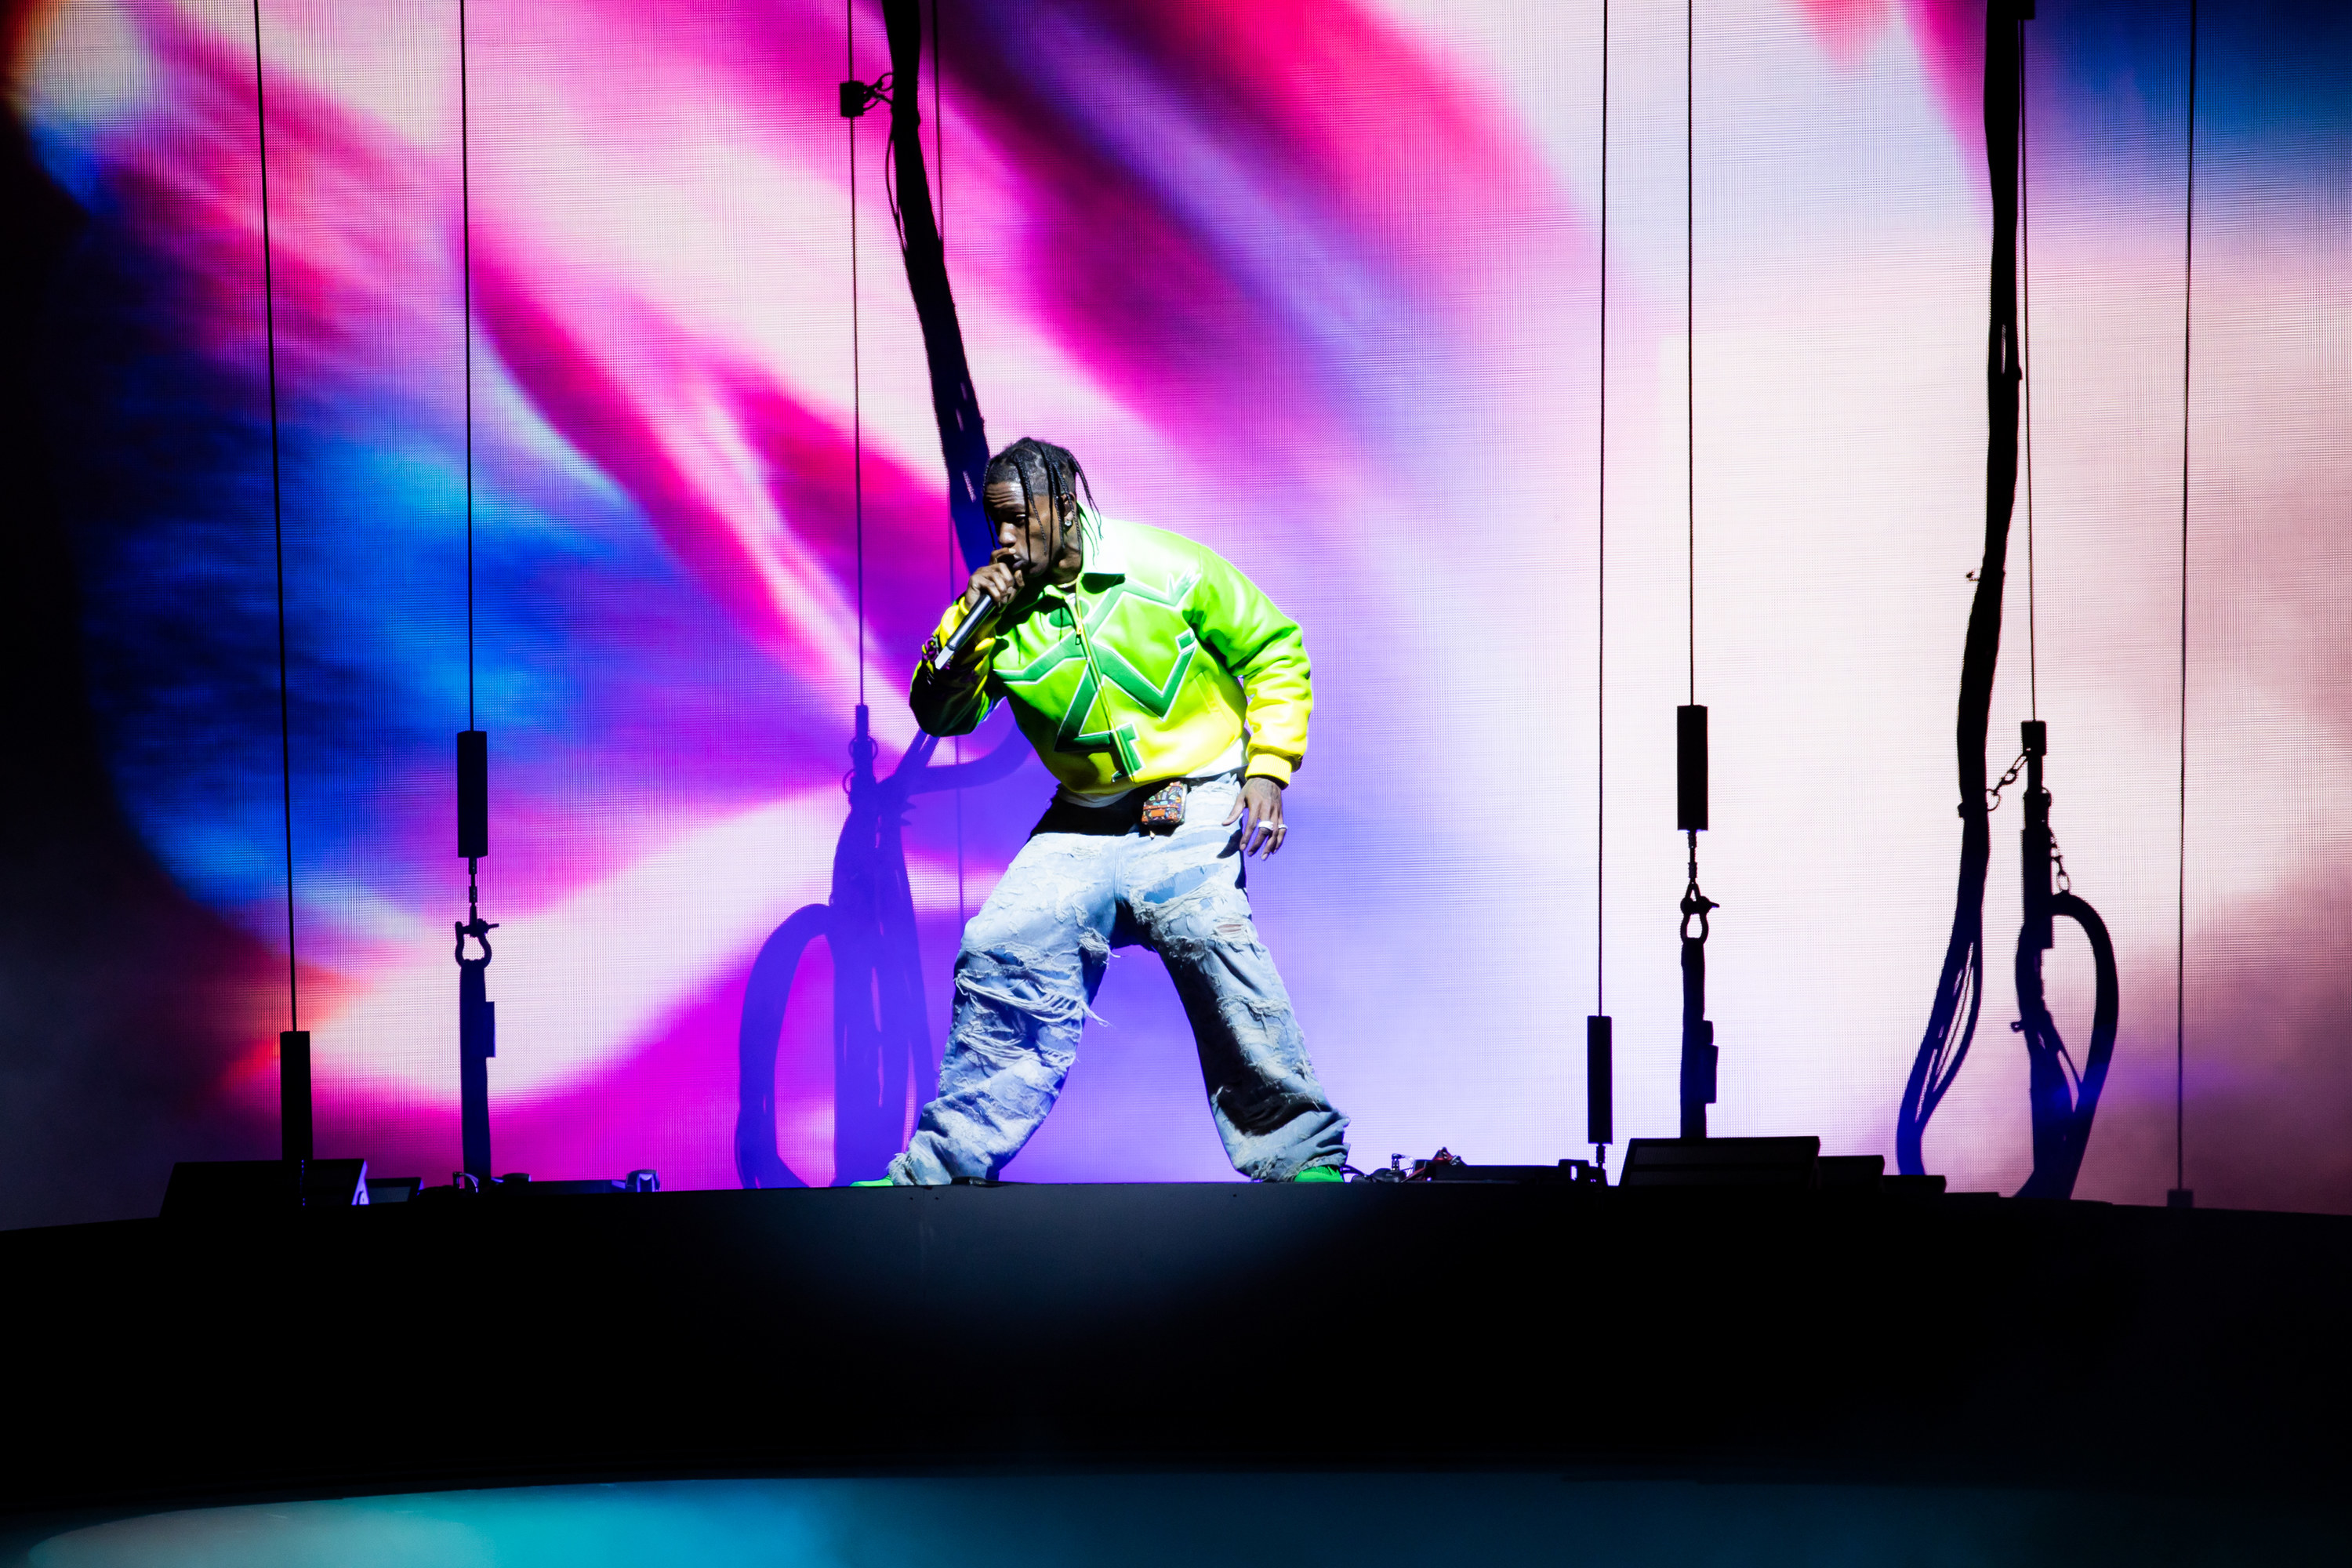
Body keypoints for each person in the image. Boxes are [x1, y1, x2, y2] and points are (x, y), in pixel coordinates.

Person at [877, 437, 1348, 1185]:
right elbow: (941, 714)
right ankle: (941, 1172)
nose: (1002, 538)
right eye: (992, 522)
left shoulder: (1163, 567)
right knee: (1001, 945)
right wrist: (969, 627)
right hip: (1084, 821)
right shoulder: (993, 611)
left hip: (1194, 796)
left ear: (1064, 507)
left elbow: (1273, 648)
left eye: (1016, 519)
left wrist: (1269, 769)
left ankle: (1301, 1157)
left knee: (1208, 933)